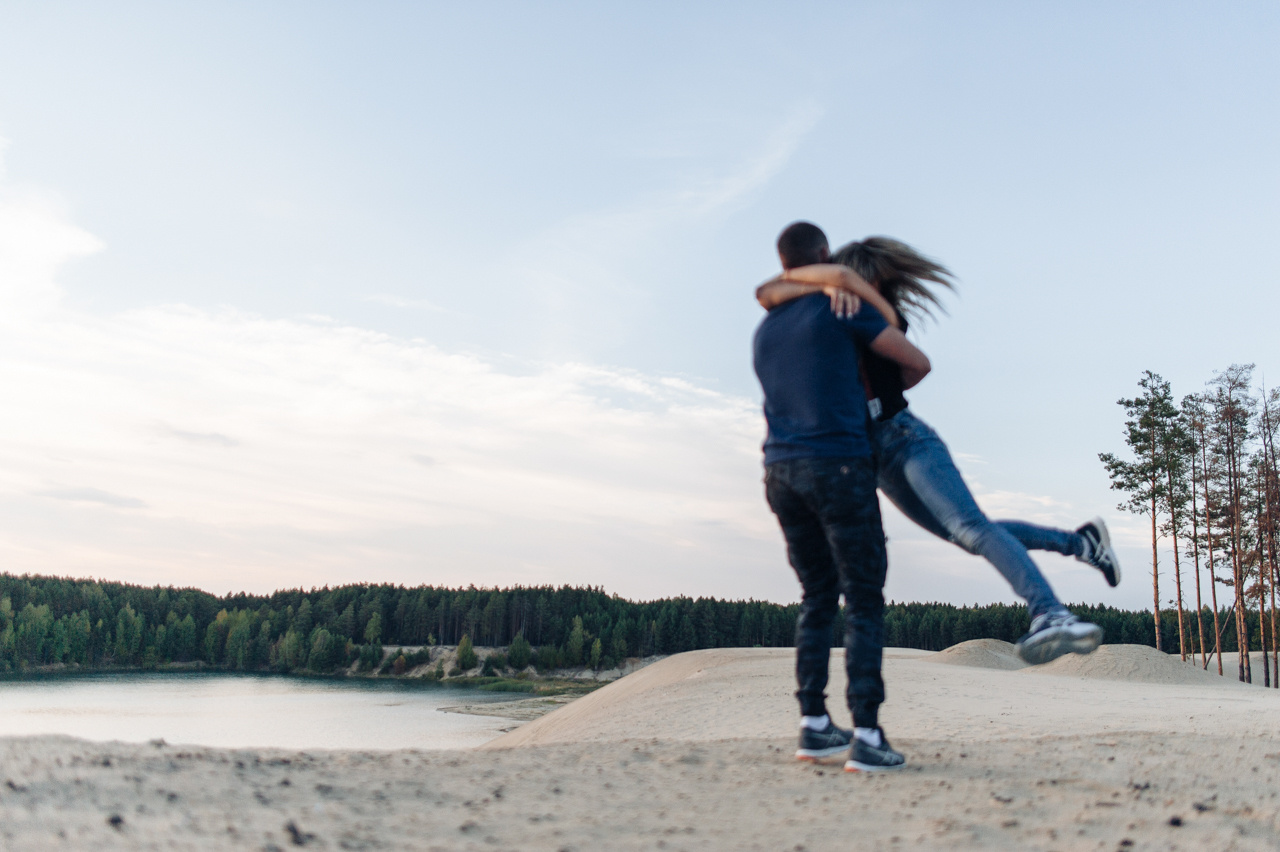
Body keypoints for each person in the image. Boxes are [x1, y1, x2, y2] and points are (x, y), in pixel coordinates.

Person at [757, 235, 1119, 667]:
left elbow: (917, 365)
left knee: (971, 529)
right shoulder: (829, 310)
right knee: (967, 534)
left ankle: (1050, 612)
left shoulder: (876, 316)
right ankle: (1080, 543)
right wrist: (831, 285)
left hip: (903, 439)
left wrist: (883, 401)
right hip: (865, 454)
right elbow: (766, 293)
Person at [754, 221, 931, 773]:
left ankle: (813, 726)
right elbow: (915, 361)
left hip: (779, 472)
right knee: (864, 598)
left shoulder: (766, 326)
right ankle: (869, 735)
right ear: (825, 255)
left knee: (816, 596)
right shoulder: (843, 307)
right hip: (840, 463)